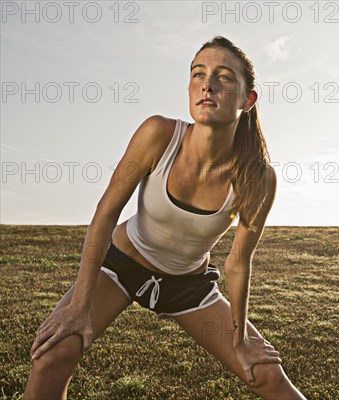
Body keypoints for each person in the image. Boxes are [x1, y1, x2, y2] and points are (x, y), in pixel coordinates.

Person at [23, 35, 307, 400]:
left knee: (266, 374)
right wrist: (79, 306)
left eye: (224, 77)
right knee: (54, 354)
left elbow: (238, 263)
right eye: (198, 74)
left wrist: (240, 340)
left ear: (248, 99)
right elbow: (106, 213)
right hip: (120, 264)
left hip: (187, 286)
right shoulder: (158, 135)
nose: (208, 84)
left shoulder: (257, 178)